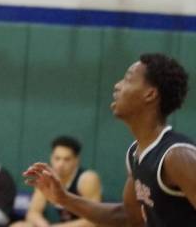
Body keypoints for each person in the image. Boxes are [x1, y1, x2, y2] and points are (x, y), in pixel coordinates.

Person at [24, 53, 196, 226]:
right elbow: (127, 216)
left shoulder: (177, 155)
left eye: (128, 80)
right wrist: (64, 198)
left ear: (150, 94)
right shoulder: (135, 154)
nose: (117, 86)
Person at [11, 136, 101, 227]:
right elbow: (32, 213)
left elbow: (93, 220)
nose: (60, 164)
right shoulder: (46, 177)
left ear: (76, 160)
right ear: (51, 157)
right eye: (57, 158)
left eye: (67, 159)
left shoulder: (87, 179)